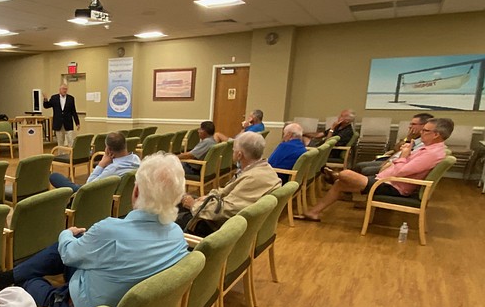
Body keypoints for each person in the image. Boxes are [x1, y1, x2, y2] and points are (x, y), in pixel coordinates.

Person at [0, 153, 189, 307]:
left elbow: (68, 254)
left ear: (135, 191)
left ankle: (10, 278)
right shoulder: (177, 235)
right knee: (73, 244)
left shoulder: (110, 231)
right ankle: (7, 276)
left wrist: (65, 234)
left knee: (30, 281)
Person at [301, 118, 454, 222]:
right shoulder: (430, 149)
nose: (421, 133)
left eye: (425, 131)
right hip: (386, 180)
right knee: (340, 184)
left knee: (346, 174)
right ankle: (313, 212)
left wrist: (404, 156)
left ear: (436, 135)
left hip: (393, 186)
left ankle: (334, 174)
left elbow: (402, 171)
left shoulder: (432, 153)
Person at [179, 131, 281, 236]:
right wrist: (209, 196)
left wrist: (194, 205)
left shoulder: (253, 178)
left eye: (233, 151)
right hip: (236, 220)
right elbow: (229, 191)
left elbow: (225, 210)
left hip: (226, 230)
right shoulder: (264, 169)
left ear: (239, 155)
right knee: (182, 202)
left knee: (176, 220)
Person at [49, 131, 140, 191]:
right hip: (117, 194)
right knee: (72, 185)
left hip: (97, 196)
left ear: (109, 150)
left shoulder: (113, 169)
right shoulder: (136, 159)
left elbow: (88, 187)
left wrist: (101, 164)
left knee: (54, 177)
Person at [352, 113, 433, 176]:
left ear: (424, 126)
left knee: (365, 170)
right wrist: (408, 139)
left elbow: (407, 158)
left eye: (413, 124)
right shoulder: (413, 138)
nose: (410, 127)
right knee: (359, 165)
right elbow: (396, 149)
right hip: (390, 161)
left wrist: (388, 164)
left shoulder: (424, 143)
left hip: (396, 167)